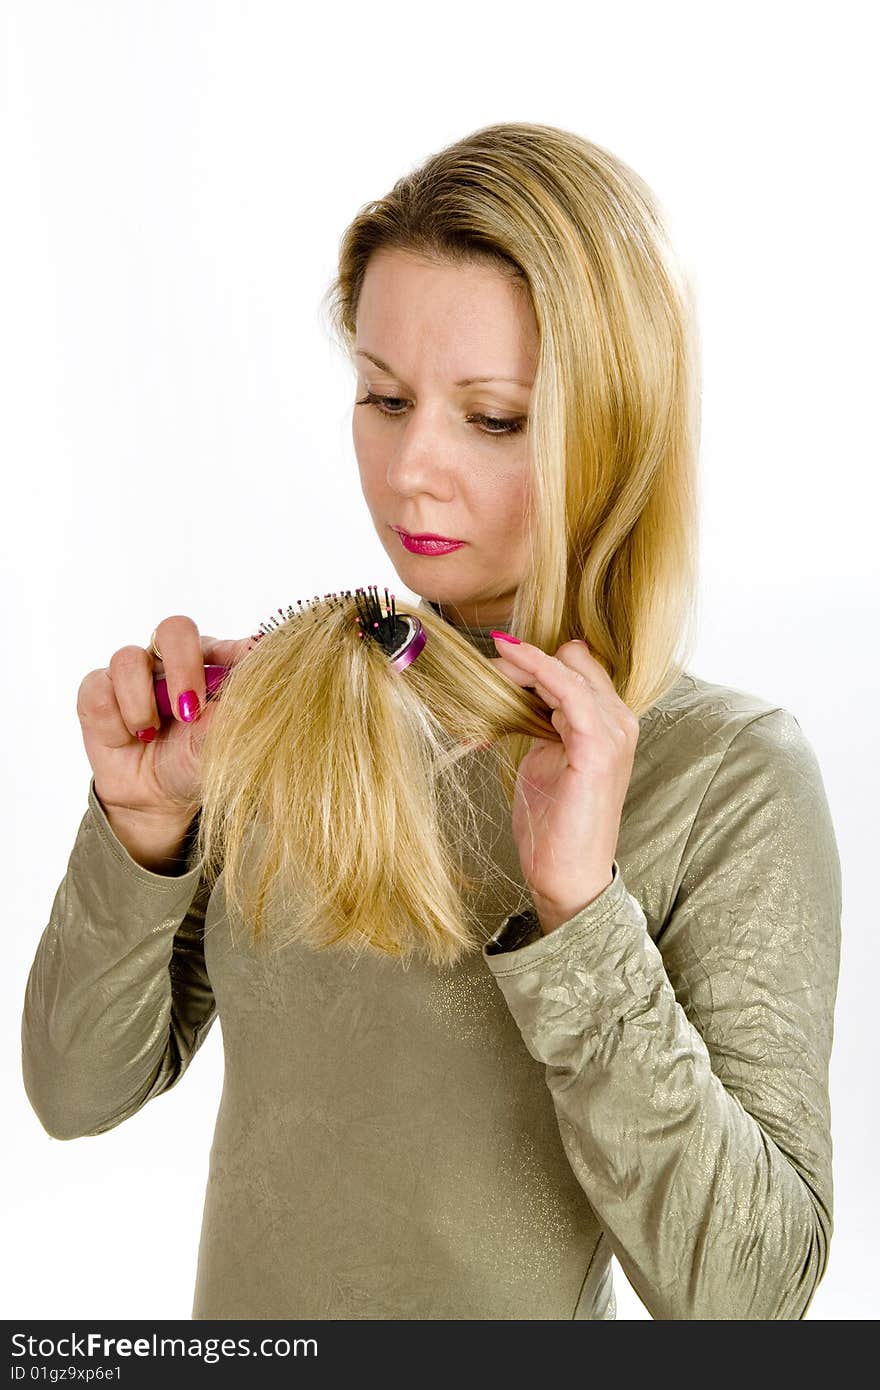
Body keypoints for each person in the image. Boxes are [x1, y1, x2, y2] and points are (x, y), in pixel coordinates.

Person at [20, 121, 841, 1320]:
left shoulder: (724, 774)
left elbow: (748, 1295)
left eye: (492, 416)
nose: (411, 469)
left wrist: (581, 913)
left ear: (612, 423)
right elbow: (75, 1091)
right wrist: (143, 827)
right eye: (383, 396)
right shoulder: (307, 700)